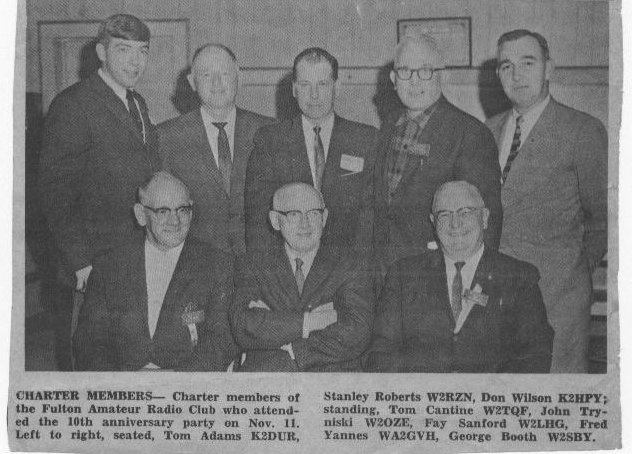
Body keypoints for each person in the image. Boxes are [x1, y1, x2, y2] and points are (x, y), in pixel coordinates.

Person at [38, 14, 160, 369]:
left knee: (130, 361)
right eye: (124, 50)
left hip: (132, 261)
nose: (135, 61)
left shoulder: (138, 103)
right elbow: (55, 192)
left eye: (143, 51)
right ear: (101, 52)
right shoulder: (73, 104)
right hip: (93, 266)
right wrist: (81, 262)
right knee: (93, 365)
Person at [486, 30, 608, 373]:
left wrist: (574, 271)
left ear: (549, 68)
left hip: (557, 300)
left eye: (528, 63)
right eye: (507, 66)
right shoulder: (489, 129)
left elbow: (605, 218)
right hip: (498, 298)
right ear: (498, 75)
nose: (517, 75)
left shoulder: (583, 130)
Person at [365, 181, 552, 373]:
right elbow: (381, 352)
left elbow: (535, 356)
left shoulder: (519, 278)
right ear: (433, 221)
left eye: (465, 212)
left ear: (485, 217)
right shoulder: (403, 275)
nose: (455, 224)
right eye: (444, 214)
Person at [73, 172, 237, 371]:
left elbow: (220, 343)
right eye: (162, 211)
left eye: (182, 210)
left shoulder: (218, 265)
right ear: (141, 215)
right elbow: (90, 342)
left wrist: (173, 380)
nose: (174, 221)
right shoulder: (110, 266)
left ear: (191, 212)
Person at [373, 34, 502, 279]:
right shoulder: (389, 125)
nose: (414, 81)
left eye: (425, 71)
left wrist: (476, 282)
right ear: (393, 79)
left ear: (440, 75)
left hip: (437, 275)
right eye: (405, 71)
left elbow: (488, 221)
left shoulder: (470, 133)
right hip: (383, 273)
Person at [245, 47, 377, 256]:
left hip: (349, 268)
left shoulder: (365, 140)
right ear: (294, 89)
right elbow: (258, 219)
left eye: (322, 84)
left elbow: (371, 219)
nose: (314, 95)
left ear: (337, 87)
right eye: (305, 85)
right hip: (290, 266)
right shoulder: (270, 141)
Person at [231, 183, 373, 372]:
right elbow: (244, 324)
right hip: (268, 377)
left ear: (324, 218)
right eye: (294, 214)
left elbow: (357, 329)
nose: (305, 224)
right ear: (275, 220)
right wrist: (313, 321)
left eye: (313, 213)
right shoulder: (253, 264)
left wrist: (295, 348)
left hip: (331, 377)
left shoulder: (350, 263)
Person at [159, 44, 275, 254]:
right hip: (196, 266)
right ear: (192, 82)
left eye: (224, 73)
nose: (216, 83)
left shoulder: (270, 131)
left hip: (260, 265)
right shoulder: (167, 137)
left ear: (239, 76)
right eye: (206, 75)